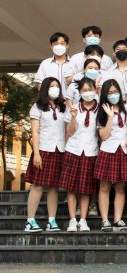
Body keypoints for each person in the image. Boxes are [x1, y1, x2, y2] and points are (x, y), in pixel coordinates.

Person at [24, 78, 67, 233]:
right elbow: (35, 132)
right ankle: (30, 221)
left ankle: (51, 220)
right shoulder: (37, 107)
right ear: (45, 88)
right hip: (43, 149)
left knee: (54, 187)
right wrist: (36, 153)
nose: (55, 88)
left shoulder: (63, 107)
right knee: (37, 185)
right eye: (51, 86)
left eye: (57, 86)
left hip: (59, 150)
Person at [60, 77, 100, 232]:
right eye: (84, 90)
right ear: (80, 92)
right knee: (71, 188)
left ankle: (83, 220)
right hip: (73, 150)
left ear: (95, 90)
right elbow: (69, 132)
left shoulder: (100, 109)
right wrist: (73, 117)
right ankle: (72, 220)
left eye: (90, 89)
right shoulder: (74, 108)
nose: (87, 92)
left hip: (91, 152)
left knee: (85, 188)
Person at [93, 80, 127, 232]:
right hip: (108, 150)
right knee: (104, 187)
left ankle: (117, 220)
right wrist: (110, 117)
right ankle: (105, 220)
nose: (113, 95)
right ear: (104, 94)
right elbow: (103, 135)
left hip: (123, 150)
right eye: (109, 93)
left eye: (115, 92)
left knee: (121, 188)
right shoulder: (101, 111)